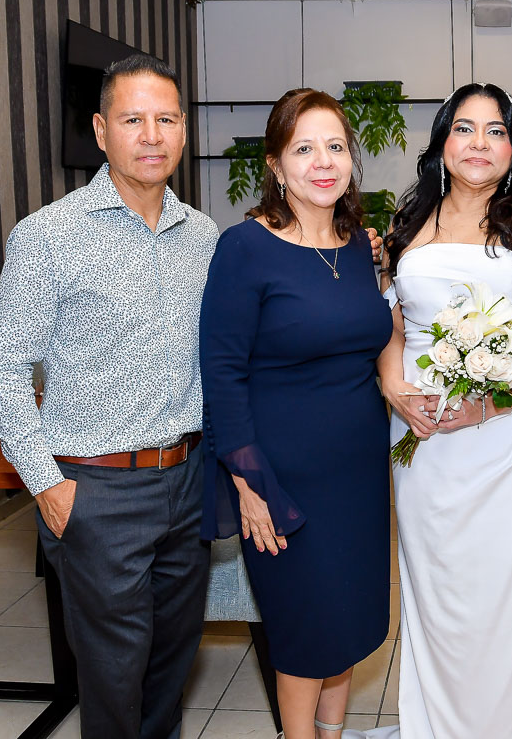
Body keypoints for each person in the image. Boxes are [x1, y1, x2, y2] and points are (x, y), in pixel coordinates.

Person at [0, 54, 219, 739]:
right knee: (114, 680)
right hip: (95, 490)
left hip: (187, 482)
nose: (152, 135)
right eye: (132, 119)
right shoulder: (48, 235)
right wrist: (47, 485)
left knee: (170, 667)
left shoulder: (203, 236)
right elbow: (4, 369)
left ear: (183, 129)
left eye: (166, 119)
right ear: (100, 130)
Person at [374, 82, 512, 739]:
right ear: (443, 141)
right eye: (464, 128)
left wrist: (490, 404)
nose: (479, 143)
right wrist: (393, 387)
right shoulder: (409, 221)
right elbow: (391, 325)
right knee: (439, 591)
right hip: (424, 441)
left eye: (496, 131)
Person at [199, 89, 393, 739]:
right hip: (281, 476)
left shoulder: (358, 247)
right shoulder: (244, 247)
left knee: (349, 620)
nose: (323, 161)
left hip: (358, 474)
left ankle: (332, 734)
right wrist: (248, 484)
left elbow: (371, 336)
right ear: (276, 165)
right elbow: (222, 373)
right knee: (306, 629)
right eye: (304, 148)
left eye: (335, 146)